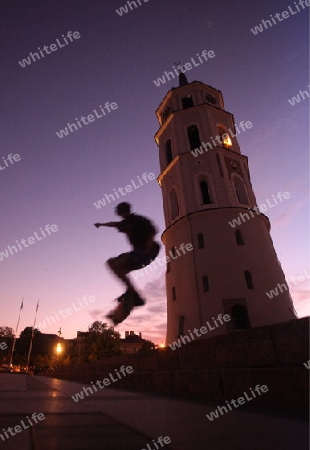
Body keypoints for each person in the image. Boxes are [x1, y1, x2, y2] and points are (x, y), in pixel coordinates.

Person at [94, 202, 160, 306]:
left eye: (119, 212)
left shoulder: (138, 220)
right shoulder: (125, 223)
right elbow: (114, 224)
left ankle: (133, 294)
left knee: (119, 265)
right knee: (111, 263)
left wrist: (148, 245)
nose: (119, 215)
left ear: (123, 211)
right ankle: (132, 292)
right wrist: (101, 224)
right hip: (138, 253)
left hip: (148, 252)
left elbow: (154, 231)